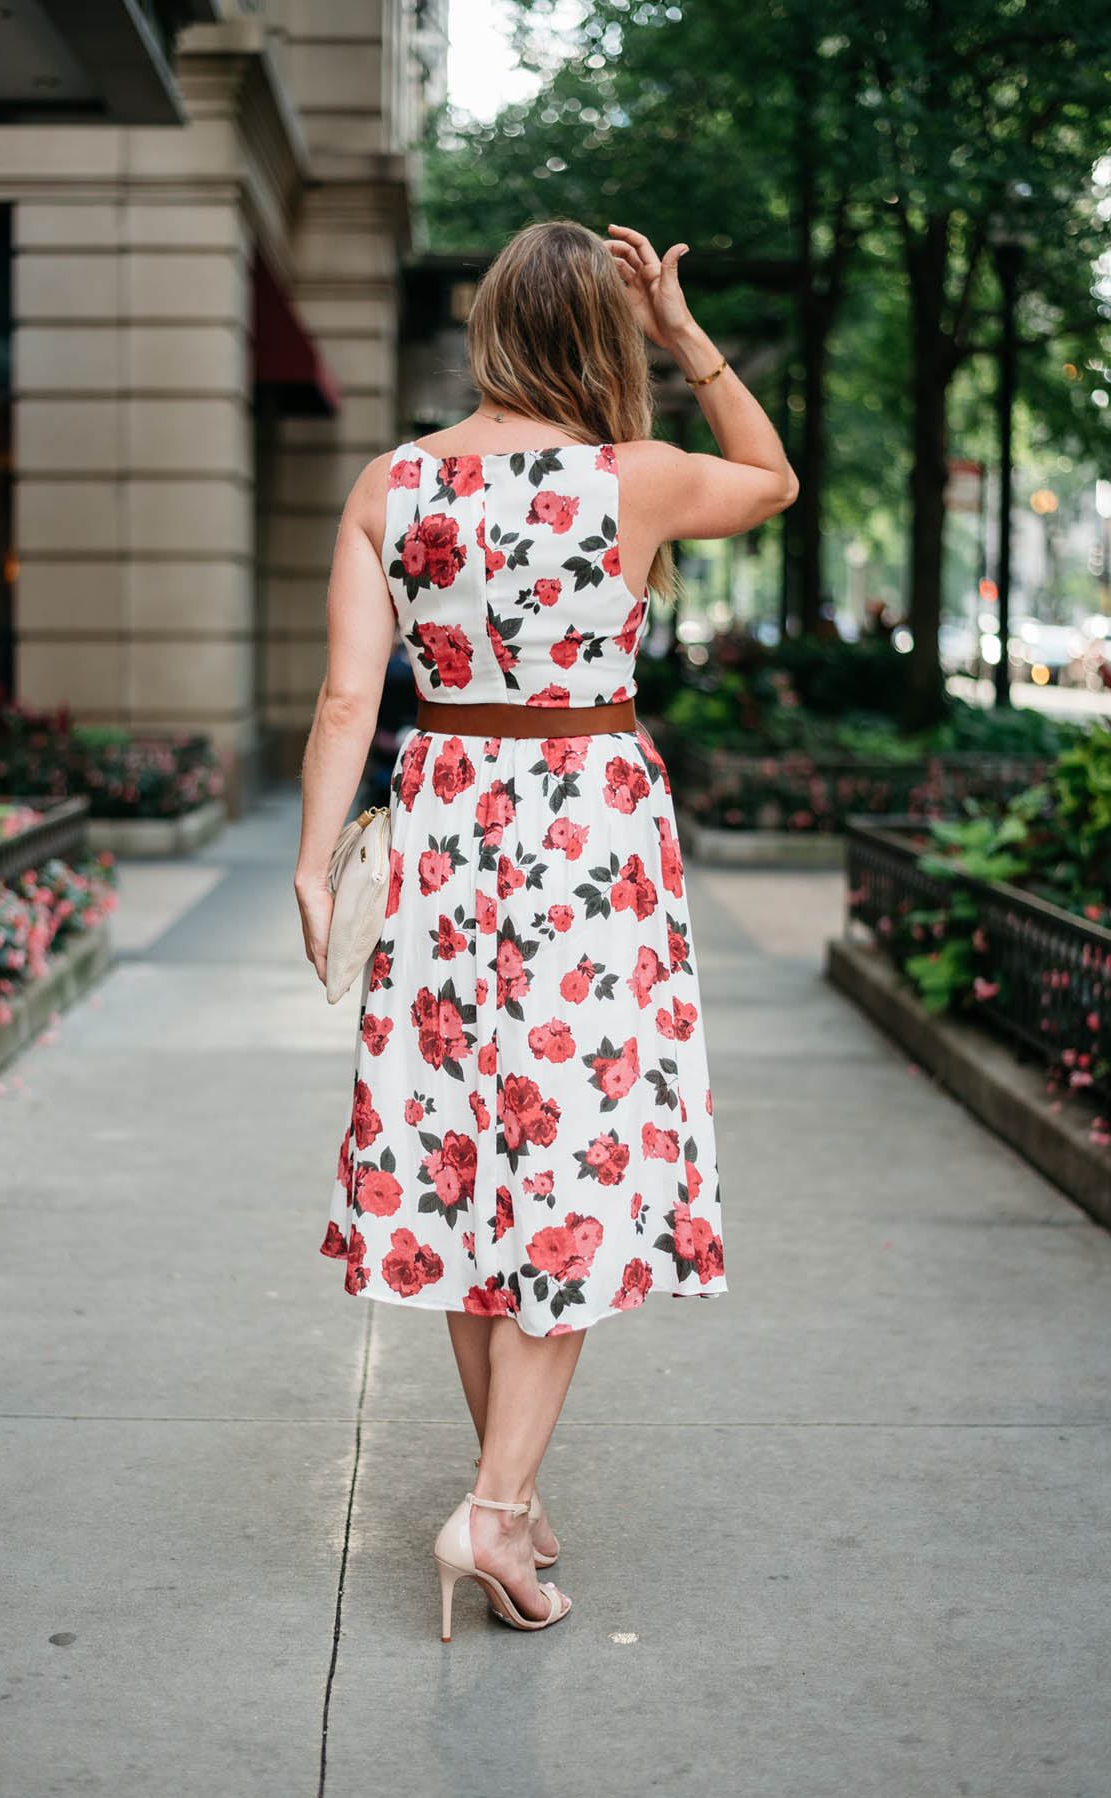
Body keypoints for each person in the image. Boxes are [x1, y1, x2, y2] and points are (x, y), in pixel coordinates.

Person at [293, 218, 798, 1640]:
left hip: (448, 820)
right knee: (569, 1158)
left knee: (467, 1158)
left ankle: (505, 1488)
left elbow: (346, 702)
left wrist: (320, 860)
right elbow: (773, 476)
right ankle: (497, 1509)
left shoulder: (393, 486)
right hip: (588, 833)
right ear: (601, 334)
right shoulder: (626, 479)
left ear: (487, 327)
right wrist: (685, 330)